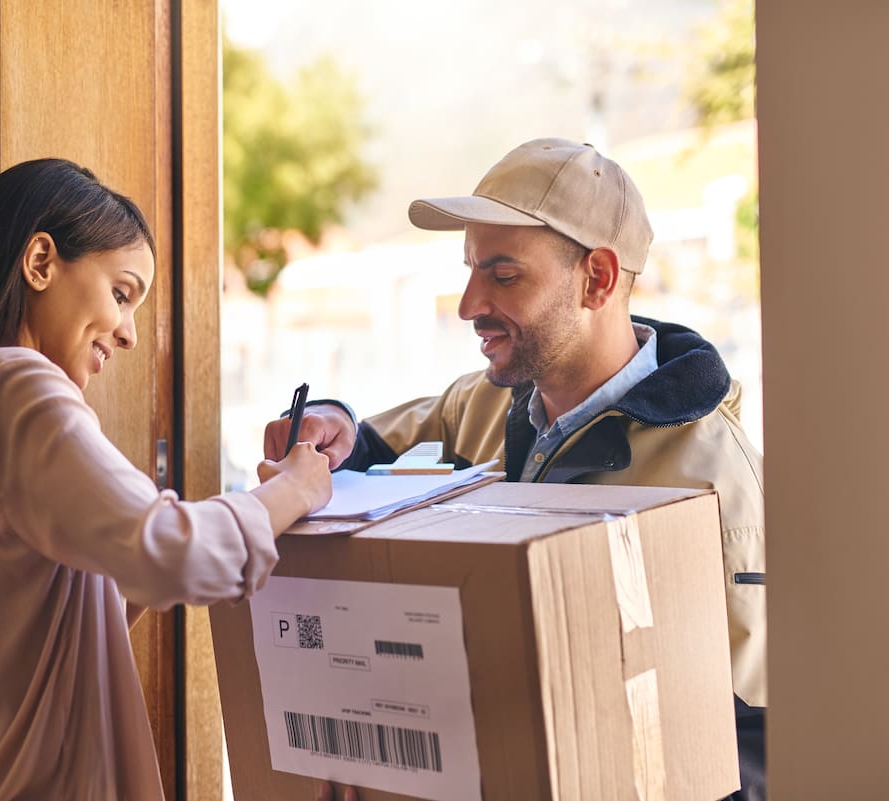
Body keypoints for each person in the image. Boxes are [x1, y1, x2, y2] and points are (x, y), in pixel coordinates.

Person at [264, 138, 767, 801]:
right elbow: (371, 445)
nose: (469, 302)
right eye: (470, 269)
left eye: (503, 276)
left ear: (599, 279)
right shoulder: (484, 401)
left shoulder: (712, 484)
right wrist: (330, 423)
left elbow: (746, 751)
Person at [0, 158, 332, 801]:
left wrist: (140, 546)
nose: (131, 333)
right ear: (40, 262)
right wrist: (297, 489)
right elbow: (176, 552)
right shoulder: (14, 385)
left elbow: (45, 625)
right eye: (121, 292)